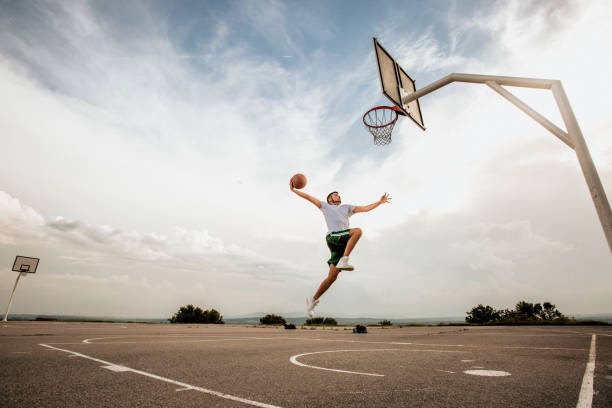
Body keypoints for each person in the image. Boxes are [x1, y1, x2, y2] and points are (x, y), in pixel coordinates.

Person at [290, 180, 391, 317]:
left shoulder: (347, 208)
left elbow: (365, 208)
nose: (338, 196)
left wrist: (379, 202)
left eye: (338, 194)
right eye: (335, 195)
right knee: (357, 231)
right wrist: (294, 190)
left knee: (332, 277)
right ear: (330, 199)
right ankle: (345, 259)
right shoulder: (325, 206)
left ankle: (312, 301)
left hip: (342, 243)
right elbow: (308, 197)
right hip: (333, 237)